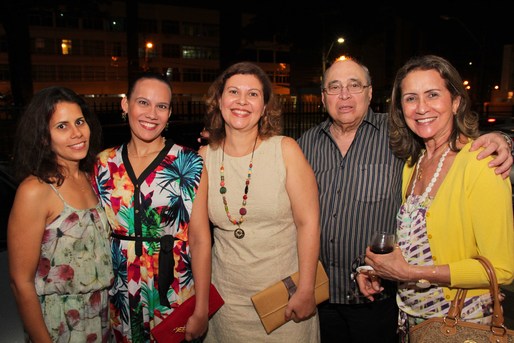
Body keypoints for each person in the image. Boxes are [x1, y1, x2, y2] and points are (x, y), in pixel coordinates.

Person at [296, 57, 513, 342]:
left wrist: (503, 140)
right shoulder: (413, 160)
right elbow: (413, 236)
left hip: (450, 319)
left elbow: (502, 268)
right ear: (323, 97)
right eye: (334, 87)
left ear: (370, 92)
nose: (345, 95)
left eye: (354, 85)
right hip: (338, 297)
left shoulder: (397, 139)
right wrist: (375, 268)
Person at [199, 61, 321, 342]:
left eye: (253, 94)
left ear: (265, 106)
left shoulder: (285, 150)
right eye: (233, 92)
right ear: (219, 100)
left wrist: (306, 290)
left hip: (285, 300)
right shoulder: (204, 158)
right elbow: (198, 235)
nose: (242, 101)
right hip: (227, 305)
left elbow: (309, 223)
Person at [92, 72, 211, 342]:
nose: (152, 114)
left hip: (172, 287)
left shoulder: (188, 162)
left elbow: (201, 238)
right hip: (119, 290)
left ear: (169, 113)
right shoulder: (103, 163)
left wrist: (202, 308)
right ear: (125, 104)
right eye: (143, 102)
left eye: (162, 106)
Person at [8, 86, 113, 342]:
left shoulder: (90, 178)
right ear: (44, 137)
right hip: (60, 324)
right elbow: (21, 283)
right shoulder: (35, 190)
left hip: (101, 318)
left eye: (79, 122)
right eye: (62, 126)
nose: (77, 133)